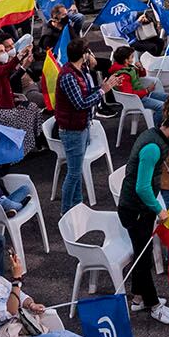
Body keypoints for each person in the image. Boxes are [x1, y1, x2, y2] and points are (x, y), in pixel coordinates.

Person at [117, 109, 169, 324]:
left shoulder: (153, 135)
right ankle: (154, 305)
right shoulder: (152, 148)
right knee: (143, 258)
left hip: (139, 208)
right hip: (136, 209)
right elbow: (141, 187)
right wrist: (159, 209)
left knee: (144, 254)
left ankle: (138, 297)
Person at [51, 42, 103, 215]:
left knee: (77, 169)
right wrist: (103, 92)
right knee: (73, 173)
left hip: (81, 125)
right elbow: (80, 103)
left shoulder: (78, 72)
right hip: (72, 130)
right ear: (83, 55)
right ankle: (66, 212)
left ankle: (78, 205)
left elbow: (85, 93)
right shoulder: (68, 76)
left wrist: (101, 88)